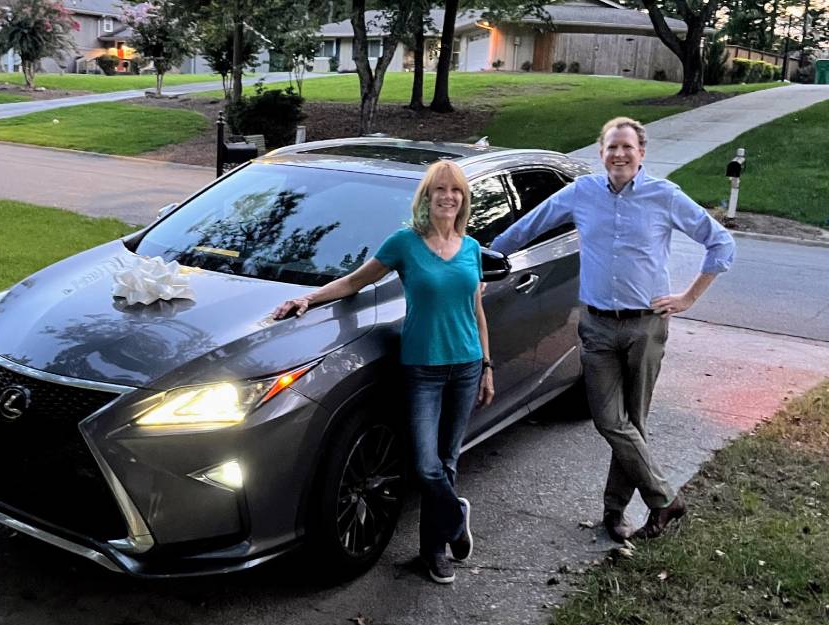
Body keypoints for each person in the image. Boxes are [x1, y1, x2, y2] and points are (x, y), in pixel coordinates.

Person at [489, 117, 735, 543]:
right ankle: (664, 499)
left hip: (646, 326)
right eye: (611, 147)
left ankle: (614, 513)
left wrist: (688, 298)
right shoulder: (581, 192)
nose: (619, 154)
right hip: (597, 326)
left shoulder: (664, 195)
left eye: (627, 147)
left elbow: (721, 243)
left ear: (642, 153)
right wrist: (477, 257)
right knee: (609, 420)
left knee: (633, 422)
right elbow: (526, 228)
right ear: (601, 153)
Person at [273, 160, 494, 584]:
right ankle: (455, 517)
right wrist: (308, 299)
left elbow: (477, 311)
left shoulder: (470, 248)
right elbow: (353, 282)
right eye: (440, 189)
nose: (448, 197)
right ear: (427, 197)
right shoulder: (405, 244)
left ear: (464, 200)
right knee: (425, 465)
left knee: (447, 461)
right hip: (423, 368)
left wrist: (487, 364)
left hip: (466, 366)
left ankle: (434, 552)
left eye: (456, 191)